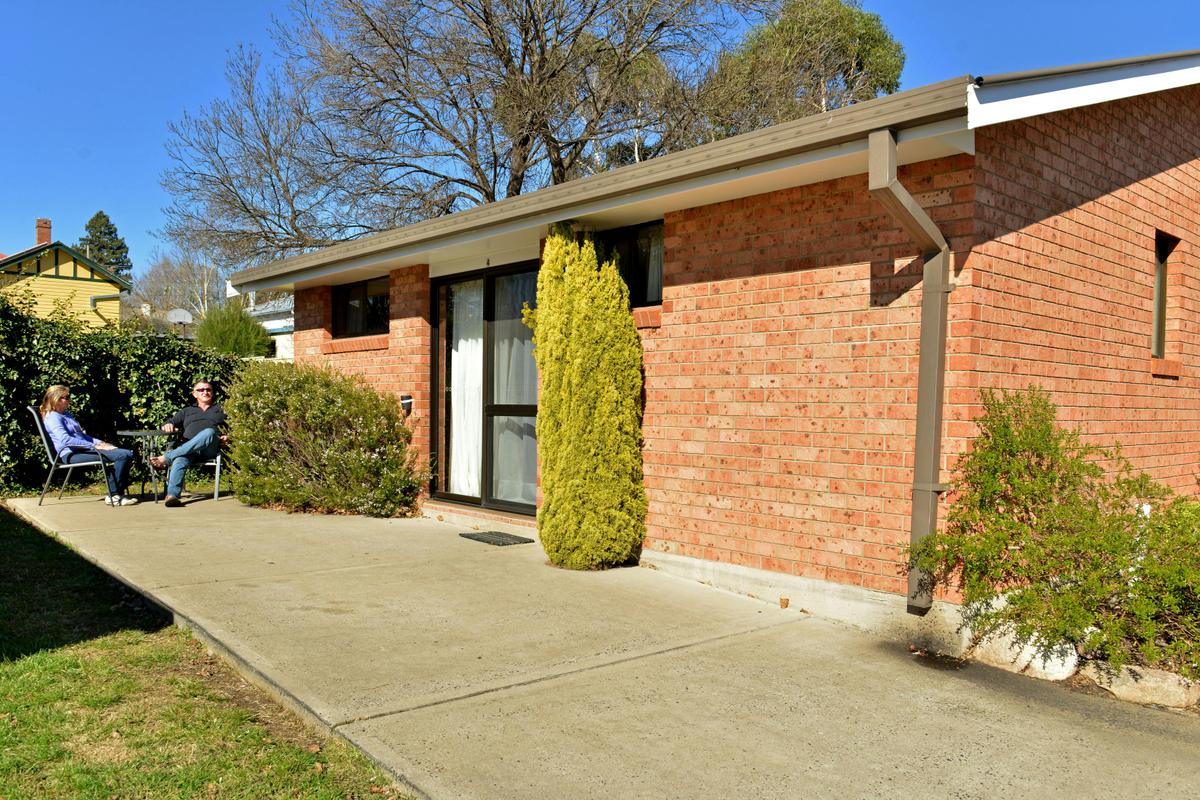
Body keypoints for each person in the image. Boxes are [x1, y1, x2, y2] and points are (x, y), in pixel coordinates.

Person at [40, 384, 139, 506]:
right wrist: (94, 446)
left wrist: (100, 443)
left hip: (83, 450)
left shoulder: (66, 414)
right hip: (71, 454)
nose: (69, 399)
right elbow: (66, 440)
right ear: (56, 399)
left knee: (126, 453)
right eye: (66, 397)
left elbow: (82, 436)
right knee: (122, 455)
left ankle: (117, 494)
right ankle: (113, 495)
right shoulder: (53, 417)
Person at [150, 380, 228, 507]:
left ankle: (167, 457)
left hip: (210, 448)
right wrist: (168, 425)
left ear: (212, 393)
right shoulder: (187, 411)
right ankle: (172, 496)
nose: (205, 392)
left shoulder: (221, 409)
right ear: (194, 394)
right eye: (201, 390)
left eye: (208, 389)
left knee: (208, 432)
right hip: (189, 450)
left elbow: (236, 427)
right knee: (180, 459)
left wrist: (228, 436)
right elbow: (168, 422)